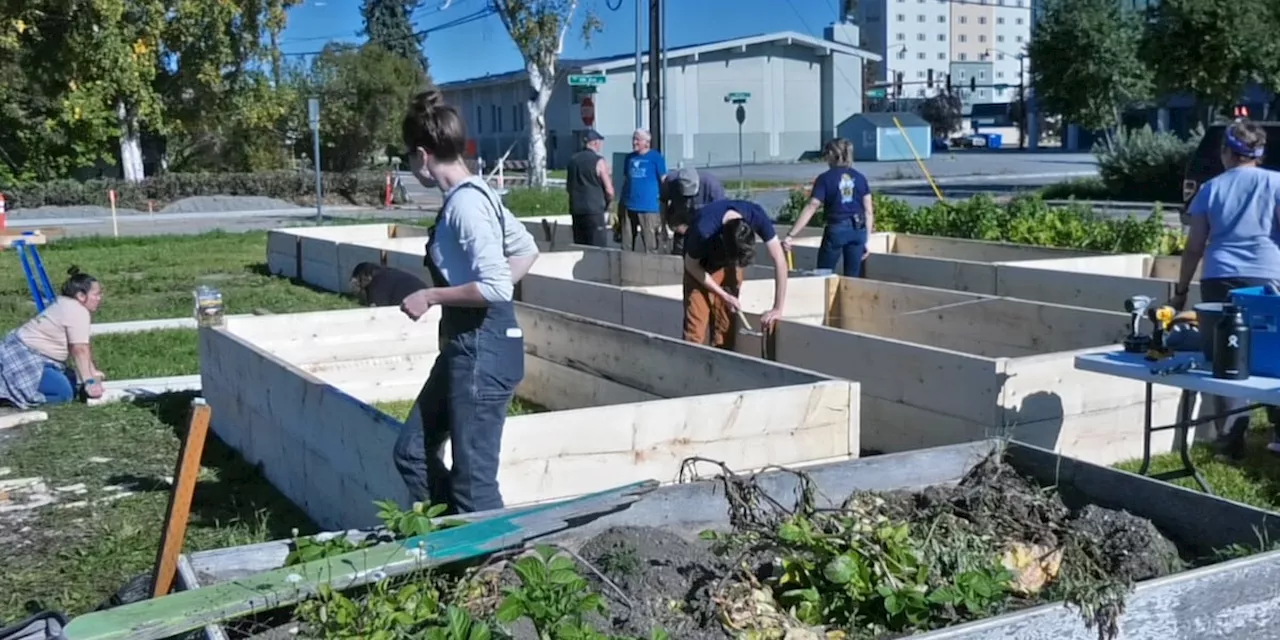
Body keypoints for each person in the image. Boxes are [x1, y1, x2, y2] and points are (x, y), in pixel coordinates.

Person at [392, 90, 541, 514]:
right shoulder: (478, 194)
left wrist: (431, 295)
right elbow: (526, 250)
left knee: (473, 483)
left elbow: (495, 287)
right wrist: (482, 287)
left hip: (483, 350)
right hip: (468, 347)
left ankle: (498, 566)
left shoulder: (467, 205)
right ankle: (458, 544)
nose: (409, 164)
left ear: (423, 155)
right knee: (412, 453)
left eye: (407, 156)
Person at [1170, 120, 1280, 461]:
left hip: (1220, 279)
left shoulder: (1210, 189)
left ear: (1225, 153)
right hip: (1267, 280)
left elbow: (1194, 247)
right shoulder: (1277, 183)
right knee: (1274, 353)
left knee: (1227, 358)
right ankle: (1279, 435)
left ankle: (1231, 445)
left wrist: (1181, 289)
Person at [682, 198, 789, 348]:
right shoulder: (703, 230)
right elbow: (690, 265)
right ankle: (691, 366)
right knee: (695, 327)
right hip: (700, 266)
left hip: (726, 263)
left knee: (725, 325)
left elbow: (780, 259)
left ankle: (722, 362)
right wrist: (724, 295)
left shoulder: (755, 215)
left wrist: (778, 308)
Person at [0, 267, 106, 408]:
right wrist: (89, 382)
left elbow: (80, 346)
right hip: (27, 357)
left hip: (30, 353)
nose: (99, 298)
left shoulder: (65, 304)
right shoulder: (77, 311)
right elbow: (79, 349)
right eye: (96, 294)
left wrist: (92, 373)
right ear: (81, 295)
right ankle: (9, 397)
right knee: (63, 394)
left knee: (71, 381)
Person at [782, 138, 874, 277]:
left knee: (823, 274)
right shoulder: (860, 178)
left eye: (826, 154)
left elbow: (812, 206)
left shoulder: (825, 178)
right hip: (858, 228)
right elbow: (868, 211)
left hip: (837, 228)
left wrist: (791, 235)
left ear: (832, 154)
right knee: (853, 276)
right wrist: (867, 240)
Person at [565, 129, 615, 247]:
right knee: (598, 248)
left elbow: (568, 187)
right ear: (595, 143)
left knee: (580, 246)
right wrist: (609, 203)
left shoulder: (573, 161)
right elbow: (609, 190)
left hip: (577, 210)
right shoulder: (598, 161)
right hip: (594, 210)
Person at [621, 129, 667, 253]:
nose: (634, 142)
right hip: (629, 206)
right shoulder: (629, 158)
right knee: (626, 245)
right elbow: (626, 181)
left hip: (649, 207)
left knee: (650, 245)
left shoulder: (656, 158)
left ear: (647, 143)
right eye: (633, 139)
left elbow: (664, 180)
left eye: (638, 140)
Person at [661, 166, 726, 256]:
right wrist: (664, 226)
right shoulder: (670, 182)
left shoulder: (713, 186)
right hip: (682, 226)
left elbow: (721, 215)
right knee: (679, 257)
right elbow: (663, 202)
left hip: (705, 230)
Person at [349, 262, 429, 307]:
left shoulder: (376, 284)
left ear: (366, 277)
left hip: (414, 304)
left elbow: (375, 313)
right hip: (427, 297)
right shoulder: (389, 272)